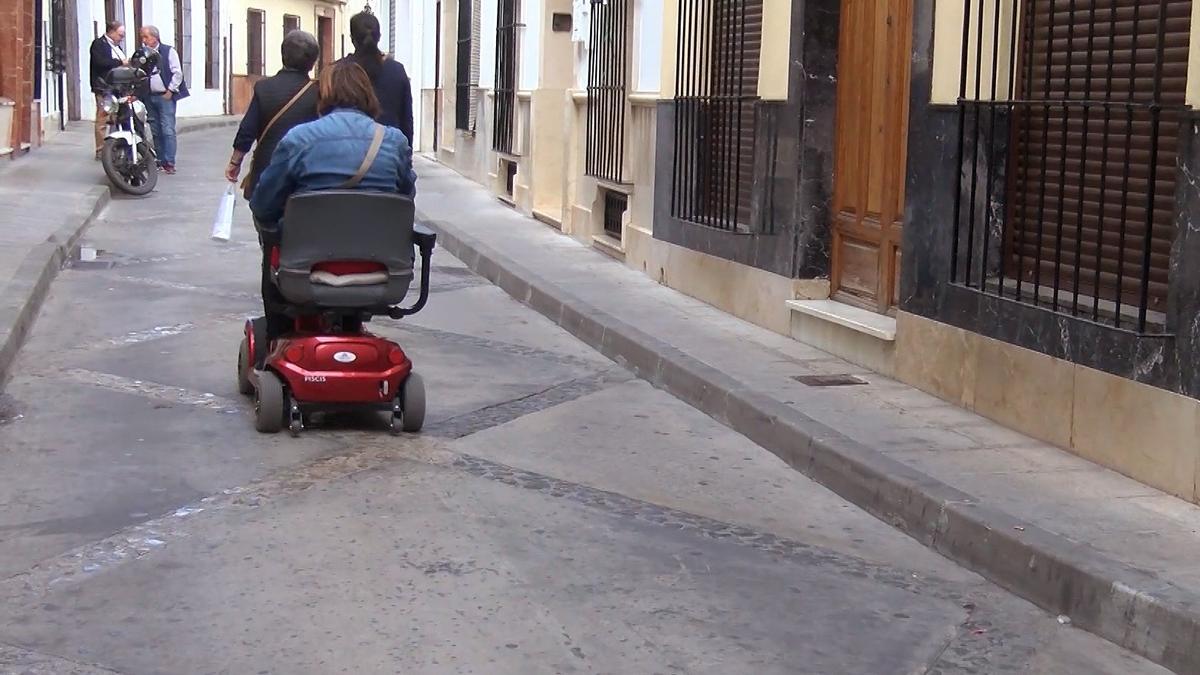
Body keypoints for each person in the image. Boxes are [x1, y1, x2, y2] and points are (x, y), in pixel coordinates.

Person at [249, 60, 417, 348]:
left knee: (270, 236)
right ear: (368, 94)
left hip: (306, 268)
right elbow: (406, 198)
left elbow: (263, 205)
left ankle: (277, 336)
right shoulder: (394, 141)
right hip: (381, 267)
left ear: (323, 94)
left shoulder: (299, 139)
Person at [226, 30, 321, 199]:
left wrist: (235, 162)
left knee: (265, 219)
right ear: (312, 63)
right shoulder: (318, 93)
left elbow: (247, 131)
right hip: (304, 173)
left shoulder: (264, 88)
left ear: (283, 55)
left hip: (267, 170)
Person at [344, 11, 414, 145]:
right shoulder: (397, 70)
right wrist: (406, 156)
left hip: (349, 151)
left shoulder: (339, 71)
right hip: (389, 149)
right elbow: (406, 120)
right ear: (379, 37)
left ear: (352, 38)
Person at [139, 26, 189, 174]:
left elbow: (177, 73)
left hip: (165, 96)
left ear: (155, 37)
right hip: (149, 96)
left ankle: (169, 162)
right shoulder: (142, 53)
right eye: (142, 37)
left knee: (167, 129)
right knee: (155, 130)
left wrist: (171, 90)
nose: (144, 40)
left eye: (146, 37)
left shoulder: (168, 51)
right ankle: (160, 160)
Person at [89, 21, 127, 160]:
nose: (121, 38)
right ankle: (100, 150)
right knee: (102, 117)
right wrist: (120, 63)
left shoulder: (117, 47)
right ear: (111, 32)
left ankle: (114, 146)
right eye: (120, 35)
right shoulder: (99, 44)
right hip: (103, 86)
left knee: (116, 118)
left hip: (118, 87)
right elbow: (100, 63)